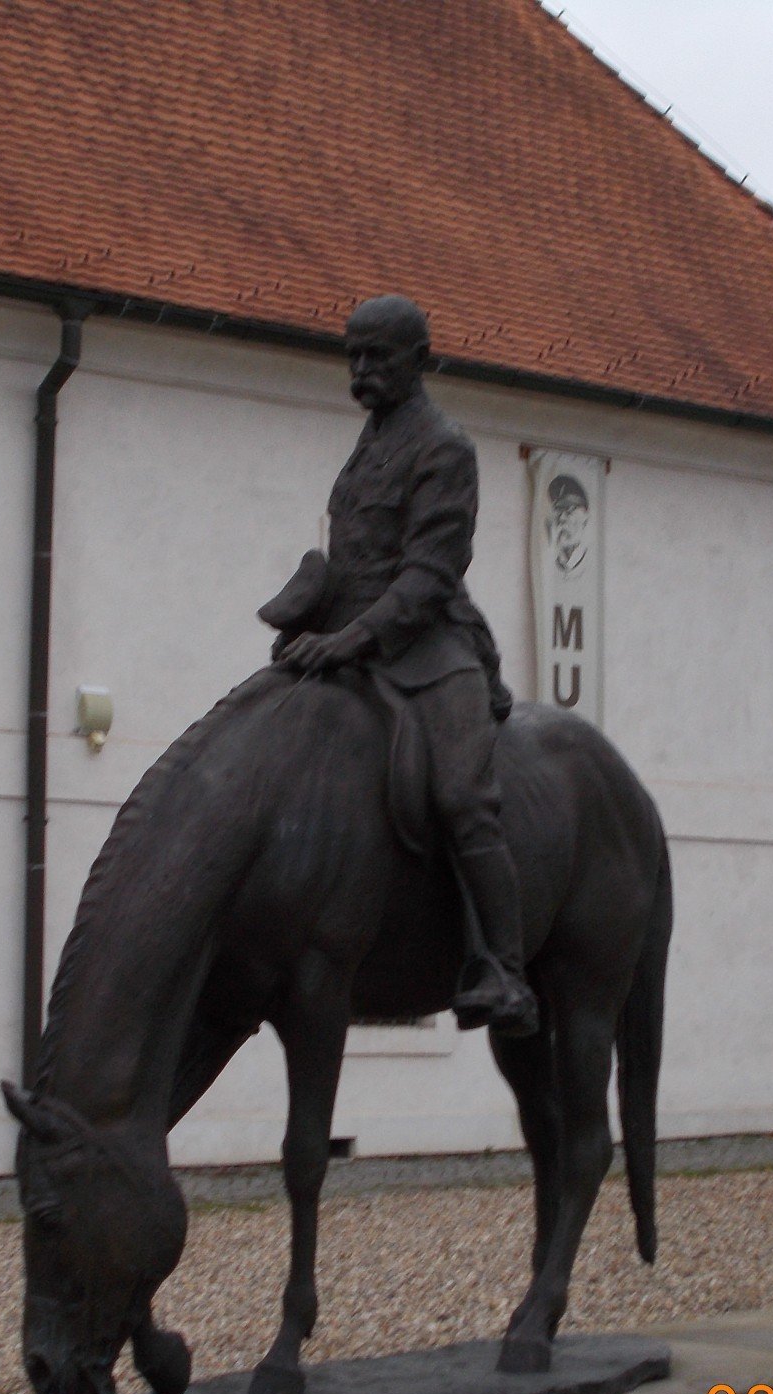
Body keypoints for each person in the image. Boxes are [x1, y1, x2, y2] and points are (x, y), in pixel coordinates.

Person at [265, 294, 538, 1036]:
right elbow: (352, 563)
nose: (359, 370)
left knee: (460, 795)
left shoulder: (443, 446)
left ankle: (504, 970)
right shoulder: (368, 444)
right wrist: (308, 619)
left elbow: (425, 578)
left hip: (431, 647)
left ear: (418, 360)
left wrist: (345, 640)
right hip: (351, 634)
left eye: (375, 356)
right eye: (351, 355)